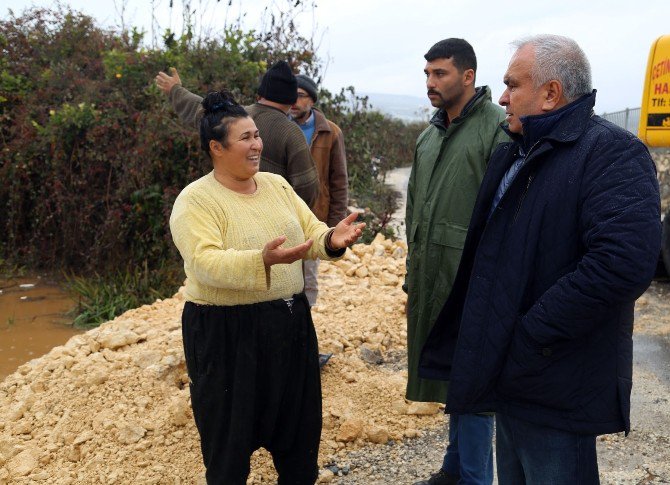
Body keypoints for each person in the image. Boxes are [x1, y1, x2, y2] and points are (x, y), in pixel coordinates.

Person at [420, 34, 661, 485]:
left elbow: (622, 263)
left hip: (555, 381)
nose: (503, 97)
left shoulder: (610, 152)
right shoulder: (518, 149)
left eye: (513, 85)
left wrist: (530, 334)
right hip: (514, 376)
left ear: (551, 93)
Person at [169, 90, 365, 484]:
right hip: (224, 334)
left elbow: (310, 233)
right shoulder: (196, 201)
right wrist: (262, 260)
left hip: (288, 324)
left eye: (256, 135)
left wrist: (330, 241)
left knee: (298, 437)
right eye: (245, 138)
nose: (257, 144)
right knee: (228, 448)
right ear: (216, 147)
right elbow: (204, 263)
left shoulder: (276, 186)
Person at [404, 38, 508, 485]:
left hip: (473, 283)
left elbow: (504, 214)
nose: (430, 82)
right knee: (449, 375)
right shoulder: (429, 135)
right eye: (427, 73)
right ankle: (453, 469)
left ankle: (474, 479)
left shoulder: (497, 128)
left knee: (473, 385)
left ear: (468, 76)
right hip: (432, 279)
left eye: (440, 73)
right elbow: (413, 211)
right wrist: (412, 275)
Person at [156, 60, 319, 208]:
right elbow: (307, 187)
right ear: (291, 101)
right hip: (275, 222)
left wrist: (175, 89)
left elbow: (197, 108)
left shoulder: (232, 118)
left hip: (229, 208)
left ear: (260, 94)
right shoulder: (291, 133)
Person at [289, 73, 349, 307]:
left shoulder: (331, 132)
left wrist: (334, 226)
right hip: (284, 212)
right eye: (291, 95)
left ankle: (305, 321)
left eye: (301, 96)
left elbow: (339, 180)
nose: (294, 100)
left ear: (312, 100)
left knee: (309, 275)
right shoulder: (281, 127)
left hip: (315, 216)